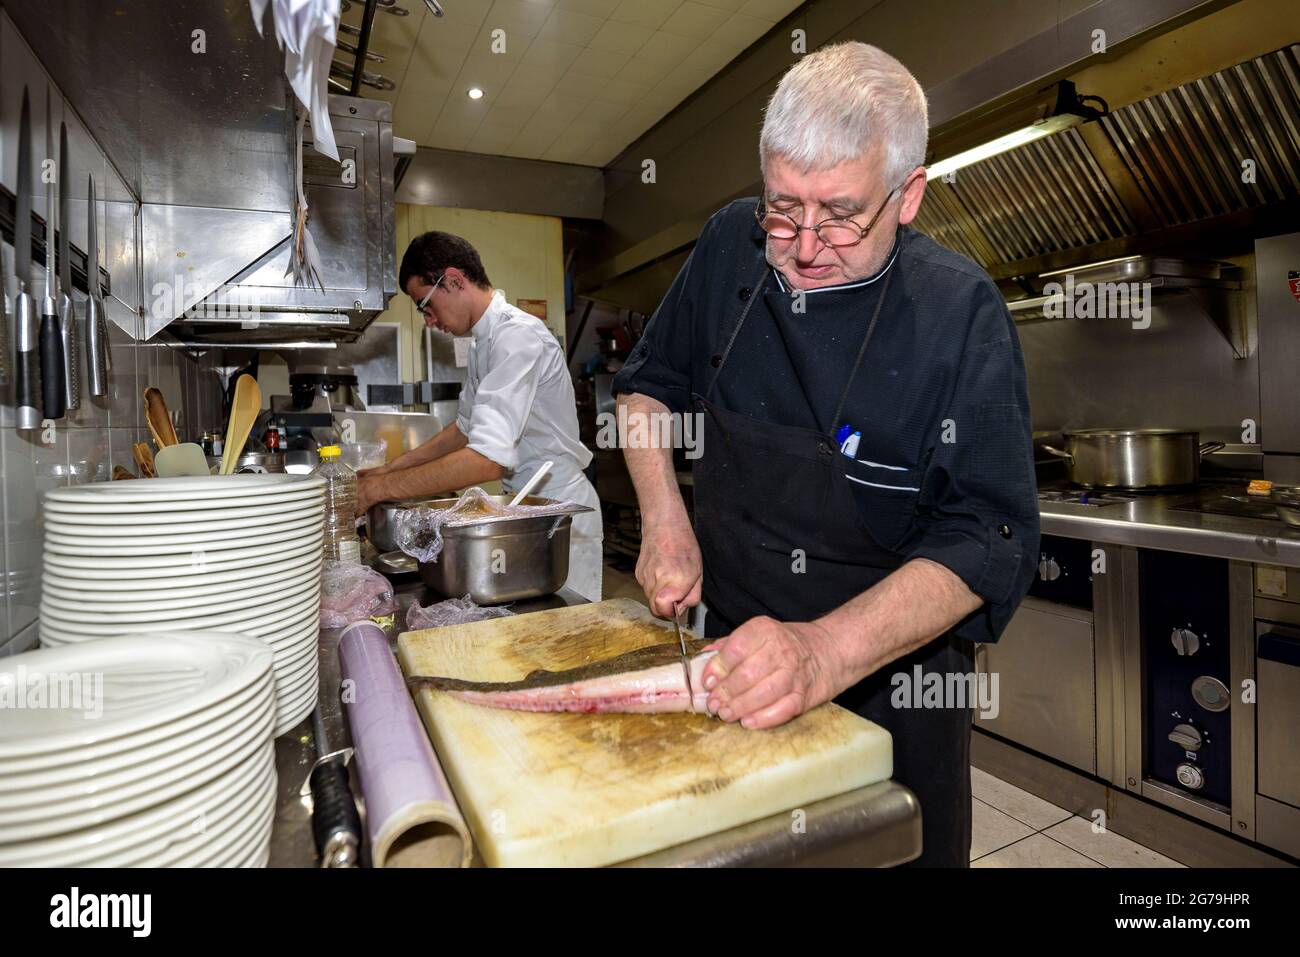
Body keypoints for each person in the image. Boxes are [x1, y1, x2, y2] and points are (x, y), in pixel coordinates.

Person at [611, 42, 1039, 866]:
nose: (804, 246)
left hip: (890, 696)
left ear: (908, 195)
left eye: (841, 213)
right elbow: (647, 386)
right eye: (783, 208)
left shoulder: (961, 315)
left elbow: (988, 536)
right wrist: (664, 517)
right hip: (731, 664)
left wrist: (822, 652)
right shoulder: (730, 244)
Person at [359, 231, 603, 602]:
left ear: (454, 280)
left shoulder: (517, 337)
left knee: (568, 631)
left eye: (425, 305)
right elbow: (463, 430)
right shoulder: (481, 343)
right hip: (524, 508)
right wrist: (387, 471)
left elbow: (488, 460)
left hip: (559, 513)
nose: (428, 320)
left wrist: (377, 490)